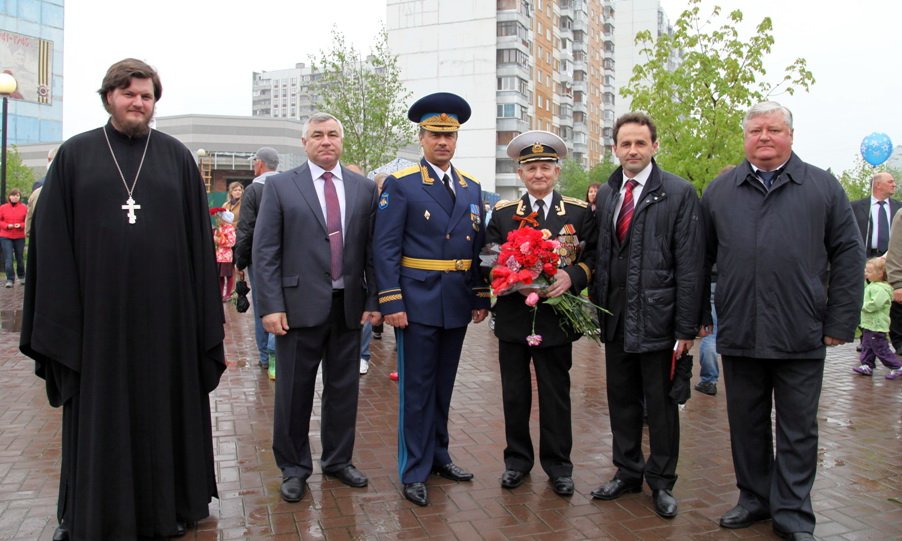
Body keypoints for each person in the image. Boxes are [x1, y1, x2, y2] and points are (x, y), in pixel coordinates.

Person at [19, 58, 226, 541]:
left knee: (164, 410)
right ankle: (86, 511)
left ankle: (169, 507)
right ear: (109, 96)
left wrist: (200, 317)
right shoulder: (75, 156)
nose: (138, 102)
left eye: (147, 95)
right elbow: (50, 243)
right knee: (99, 414)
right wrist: (63, 320)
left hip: (166, 322)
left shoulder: (176, 158)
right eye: (129, 93)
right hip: (97, 323)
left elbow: (199, 244)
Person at [701, 101, 863, 541]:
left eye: (773, 129)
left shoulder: (823, 188)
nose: (764, 137)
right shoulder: (721, 192)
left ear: (791, 135)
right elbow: (701, 259)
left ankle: (792, 512)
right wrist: (701, 316)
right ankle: (754, 498)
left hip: (801, 330)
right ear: (745, 137)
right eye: (756, 130)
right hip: (739, 329)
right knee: (746, 425)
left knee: (797, 430)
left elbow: (849, 254)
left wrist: (841, 320)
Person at [253, 112, 381, 504]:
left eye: (332, 135)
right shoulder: (280, 187)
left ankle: (339, 461)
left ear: (341, 141)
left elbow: (374, 251)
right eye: (317, 135)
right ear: (305, 143)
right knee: (294, 392)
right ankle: (293, 468)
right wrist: (270, 305)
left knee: (343, 390)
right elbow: (266, 251)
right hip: (296, 309)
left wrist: (374, 300)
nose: (326, 141)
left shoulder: (363, 189)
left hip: (348, 308)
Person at [373, 92, 491, 507]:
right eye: (434, 135)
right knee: (417, 389)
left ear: (457, 140)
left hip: (456, 301)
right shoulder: (402, 185)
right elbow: (384, 247)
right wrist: (391, 301)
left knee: (443, 387)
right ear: (421, 138)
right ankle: (414, 469)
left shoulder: (471, 187)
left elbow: (477, 247)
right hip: (417, 301)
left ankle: (440, 455)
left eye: (450, 135)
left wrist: (480, 294)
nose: (442, 142)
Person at [590, 112, 702, 519]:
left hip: (659, 320)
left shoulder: (678, 192)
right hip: (616, 318)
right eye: (625, 144)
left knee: (660, 406)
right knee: (621, 400)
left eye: (640, 143)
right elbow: (602, 254)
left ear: (655, 146)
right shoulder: (607, 193)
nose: (632, 150)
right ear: (615, 149)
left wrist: (687, 327)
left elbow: (691, 265)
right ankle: (628, 471)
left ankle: (662, 481)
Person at [487, 131, 596, 497]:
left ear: (556, 171)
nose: (538, 174)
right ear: (520, 173)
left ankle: (559, 466)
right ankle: (516, 461)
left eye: (545, 167)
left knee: (555, 394)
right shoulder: (503, 215)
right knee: (515, 395)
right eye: (531, 167)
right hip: (515, 319)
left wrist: (572, 275)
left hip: (556, 320)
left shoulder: (579, 213)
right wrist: (508, 276)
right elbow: (487, 256)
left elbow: (594, 258)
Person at [235, 147, 280, 376]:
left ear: (260, 164)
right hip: (288, 258)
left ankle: (266, 355)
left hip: (259, 258)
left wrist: (240, 261)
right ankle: (278, 350)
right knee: (283, 303)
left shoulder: (253, 191)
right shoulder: (289, 185)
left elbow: (246, 228)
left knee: (263, 306)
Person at [850, 173, 902, 352]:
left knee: (893, 299)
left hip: (891, 258)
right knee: (865, 298)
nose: (894, 185)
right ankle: (866, 338)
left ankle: (896, 340)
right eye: (890, 182)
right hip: (864, 258)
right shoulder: (857, 207)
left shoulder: (899, 207)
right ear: (878, 185)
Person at [855, 257, 902, 378]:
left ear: (880, 273)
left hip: (877, 325)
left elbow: (875, 304)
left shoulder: (880, 289)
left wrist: (861, 305)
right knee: (867, 346)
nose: (866, 272)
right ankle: (867, 364)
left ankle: (897, 366)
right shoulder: (872, 285)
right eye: (866, 270)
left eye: (869, 271)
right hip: (869, 324)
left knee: (880, 348)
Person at [0, 188, 27, 287]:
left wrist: (20, 225)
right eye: (13, 195)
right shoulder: (3, 208)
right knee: (8, 259)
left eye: (17, 195)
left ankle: (22, 276)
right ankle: (10, 279)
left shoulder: (24, 208)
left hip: (19, 236)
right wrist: (7, 226)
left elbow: (27, 221)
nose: (15, 197)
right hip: (6, 236)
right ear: (9, 196)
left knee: (19, 257)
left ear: (19, 197)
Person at [213, 209, 237, 301]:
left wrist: (219, 240)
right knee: (220, 276)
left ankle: (228, 293)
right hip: (219, 256)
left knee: (228, 275)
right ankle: (220, 293)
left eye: (219, 218)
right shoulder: (219, 228)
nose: (218, 220)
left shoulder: (230, 229)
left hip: (226, 256)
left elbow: (231, 242)